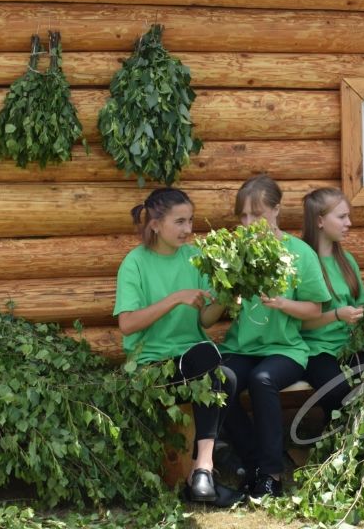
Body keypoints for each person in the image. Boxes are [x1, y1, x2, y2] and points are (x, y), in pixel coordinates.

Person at [114, 187, 241, 506]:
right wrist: (173, 299)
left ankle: (202, 469)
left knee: (220, 371)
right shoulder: (135, 263)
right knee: (216, 371)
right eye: (180, 221)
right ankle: (203, 475)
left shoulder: (197, 258)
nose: (188, 229)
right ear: (155, 223)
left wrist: (225, 297)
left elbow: (207, 320)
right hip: (152, 368)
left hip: (193, 362)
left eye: (191, 221)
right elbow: (127, 324)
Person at [218, 175, 332, 498]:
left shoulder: (299, 253)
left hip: (286, 349)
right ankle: (254, 460)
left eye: (256, 213)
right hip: (242, 346)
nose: (248, 222)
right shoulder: (236, 252)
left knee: (262, 380)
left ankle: (270, 474)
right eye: (243, 215)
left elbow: (315, 309)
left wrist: (282, 303)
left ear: (277, 210)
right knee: (220, 381)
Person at [299, 188, 364, 424]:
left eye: (348, 216)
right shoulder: (302, 263)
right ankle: (340, 442)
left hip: (348, 346)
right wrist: (337, 315)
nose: (348, 223)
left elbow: (362, 305)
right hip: (315, 350)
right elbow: (300, 322)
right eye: (341, 217)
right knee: (338, 391)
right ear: (320, 220)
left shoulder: (346, 260)